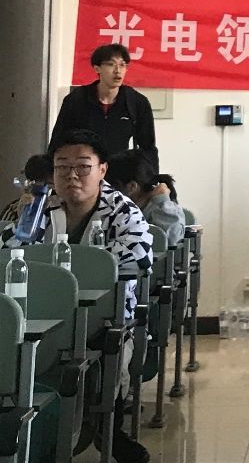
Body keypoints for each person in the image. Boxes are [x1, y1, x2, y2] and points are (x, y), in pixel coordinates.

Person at [15, 129, 153, 463]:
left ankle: (107, 426)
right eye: (62, 167)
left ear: (102, 170)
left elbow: (136, 260)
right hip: (42, 313)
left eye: (83, 166)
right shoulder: (40, 209)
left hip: (103, 318)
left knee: (109, 352)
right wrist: (19, 221)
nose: (71, 175)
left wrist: (62, 275)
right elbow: (11, 254)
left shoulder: (124, 212)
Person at [48, 44, 157, 167]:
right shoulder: (77, 99)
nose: (117, 70)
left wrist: (151, 177)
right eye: (111, 64)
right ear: (97, 68)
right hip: (83, 169)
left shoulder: (137, 102)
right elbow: (58, 140)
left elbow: (148, 148)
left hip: (119, 171)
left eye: (122, 65)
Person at [105, 152, 186, 246]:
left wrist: (162, 200)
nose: (107, 192)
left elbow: (171, 241)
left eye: (112, 186)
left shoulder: (163, 208)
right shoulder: (120, 209)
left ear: (132, 187)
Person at [1, 154, 53, 223]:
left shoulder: (60, 210)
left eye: (49, 186)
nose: (42, 192)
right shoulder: (14, 209)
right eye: (35, 186)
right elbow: (4, 228)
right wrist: (22, 217)